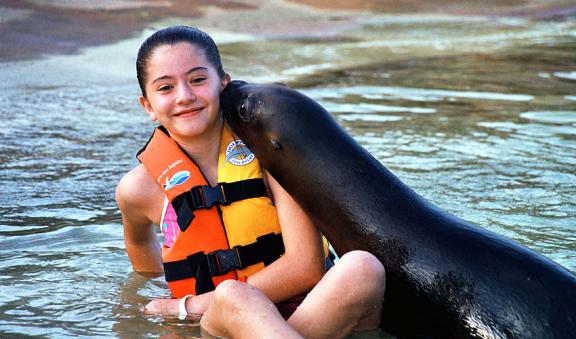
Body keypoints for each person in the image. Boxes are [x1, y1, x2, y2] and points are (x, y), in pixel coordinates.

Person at [116, 25, 385, 337]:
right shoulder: (137, 190)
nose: (185, 96)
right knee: (234, 295)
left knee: (363, 268)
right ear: (147, 105)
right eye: (165, 88)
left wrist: (186, 306)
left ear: (224, 83)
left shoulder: (271, 154)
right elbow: (140, 252)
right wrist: (158, 303)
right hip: (223, 322)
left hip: (308, 315)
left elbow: (305, 267)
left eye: (198, 80)